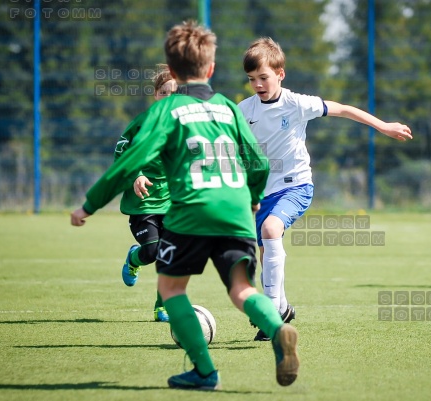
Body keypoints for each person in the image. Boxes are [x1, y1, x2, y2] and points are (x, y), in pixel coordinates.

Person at [71, 21, 299, 391]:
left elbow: (130, 162)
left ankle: (205, 373)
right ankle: (277, 329)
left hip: (191, 211)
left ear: (173, 73)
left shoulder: (166, 111)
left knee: (172, 289)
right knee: (241, 289)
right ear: (210, 69)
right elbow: (257, 162)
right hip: (235, 210)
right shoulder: (227, 106)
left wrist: (90, 204)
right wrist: (255, 198)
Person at [238, 37, 413, 341]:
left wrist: (384, 126)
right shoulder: (244, 109)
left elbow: (344, 109)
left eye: (263, 77)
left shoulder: (296, 104)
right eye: (252, 79)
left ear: (280, 74)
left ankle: (271, 312)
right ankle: (282, 309)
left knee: (269, 229)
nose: (257, 84)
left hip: (296, 187)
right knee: (265, 249)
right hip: (263, 194)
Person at [116, 64, 177, 322]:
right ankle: (134, 257)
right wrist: (137, 175)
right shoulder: (142, 123)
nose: (168, 98)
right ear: (155, 95)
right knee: (152, 252)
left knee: (172, 254)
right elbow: (122, 152)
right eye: (164, 92)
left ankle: (162, 307)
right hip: (143, 204)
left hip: (173, 204)